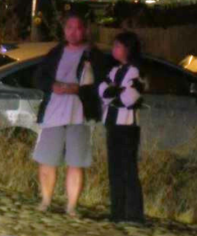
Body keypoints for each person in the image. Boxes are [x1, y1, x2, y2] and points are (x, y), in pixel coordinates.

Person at [32, 12, 111, 216]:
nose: (74, 32)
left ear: (85, 30)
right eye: (69, 28)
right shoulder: (55, 53)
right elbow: (39, 78)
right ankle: (46, 201)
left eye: (78, 28)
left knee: (76, 162)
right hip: (53, 113)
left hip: (81, 115)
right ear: (64, 30)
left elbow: (103, 84)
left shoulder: (94, 55)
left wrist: (81, 90)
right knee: (47, 160)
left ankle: (72, 207)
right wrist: (53, 86)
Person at [98, 31, 146, 224]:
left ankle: (133, 213)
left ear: (128, 49)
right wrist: (115, 93)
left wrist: (113, 94)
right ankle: (117, 211)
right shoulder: (115, 70)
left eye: (118, 46)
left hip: (127, 126)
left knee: (128, 169)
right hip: (112, 123)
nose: (114, 49)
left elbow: (129, 98)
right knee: (114, 169)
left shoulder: (136, 71)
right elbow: (103, 90)